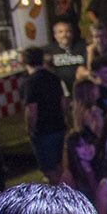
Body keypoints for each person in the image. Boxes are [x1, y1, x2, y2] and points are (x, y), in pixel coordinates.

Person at [21, 47, 69, 177]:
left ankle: (56, 194)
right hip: (59, 126)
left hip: (43, 131)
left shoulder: (30, 82)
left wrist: (30, 129)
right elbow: (63, 102)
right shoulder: (54, 78)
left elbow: (32, 110)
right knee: (60, 165)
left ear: (25, 62)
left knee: (49, 169)